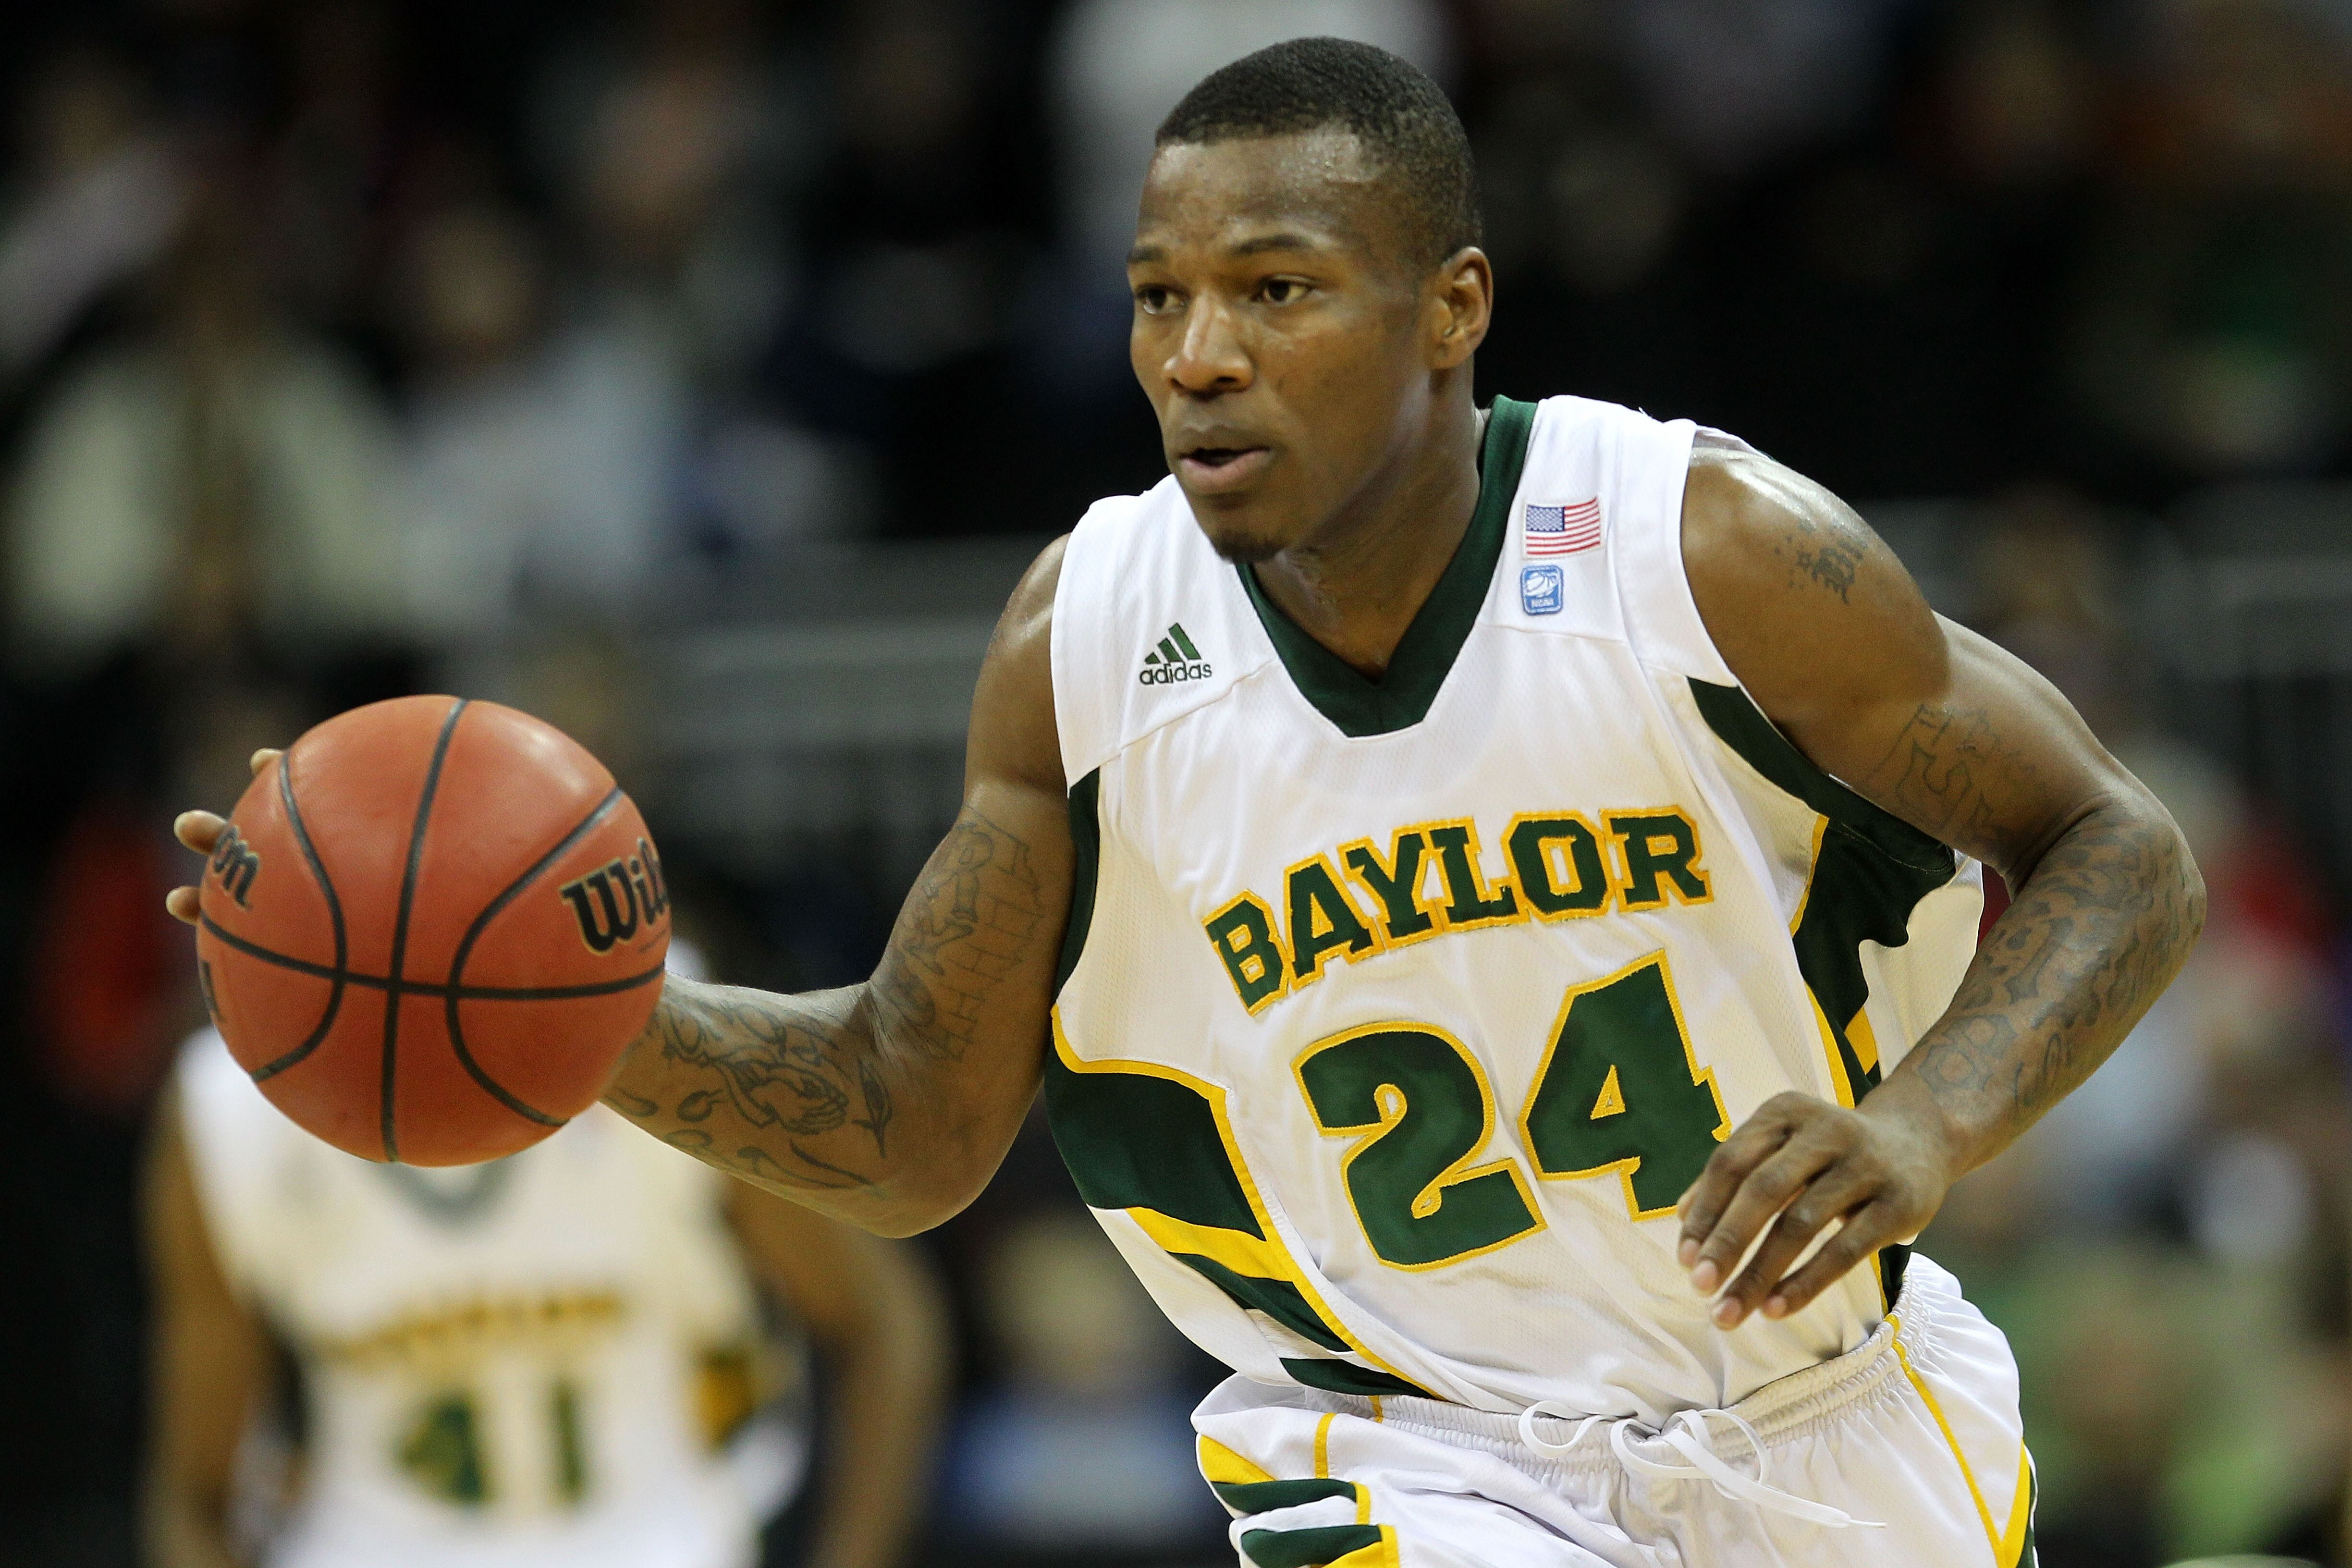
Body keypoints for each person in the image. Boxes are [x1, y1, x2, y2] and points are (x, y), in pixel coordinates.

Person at [172, 38, 2205, 1568]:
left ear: (1452, 310)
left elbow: (2122, 851)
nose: (1200, 355)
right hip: (1420, 1446)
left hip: (1827, 1417)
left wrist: (1924, 1125)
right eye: (1159, 297)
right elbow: (902, 1116)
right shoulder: (1086, 640)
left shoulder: (1698, 547)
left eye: (1277, 289)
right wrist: (514, 996)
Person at [145, 1011, 949, 1568]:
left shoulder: (667, 1052)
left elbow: (887, 1329)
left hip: (665, 1543)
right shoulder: (227, 1113)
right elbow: (192, 1499)